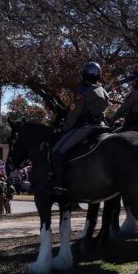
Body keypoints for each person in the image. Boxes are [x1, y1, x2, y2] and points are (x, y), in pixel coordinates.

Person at [49, 61, 110, 196]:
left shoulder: (82, 91)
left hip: (86, 127)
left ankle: (59, 184)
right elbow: (106, 107)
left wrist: (66, 127)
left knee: (57, 151)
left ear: (84, 75)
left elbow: (74, 113)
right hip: (102, 126)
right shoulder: (103, 90)